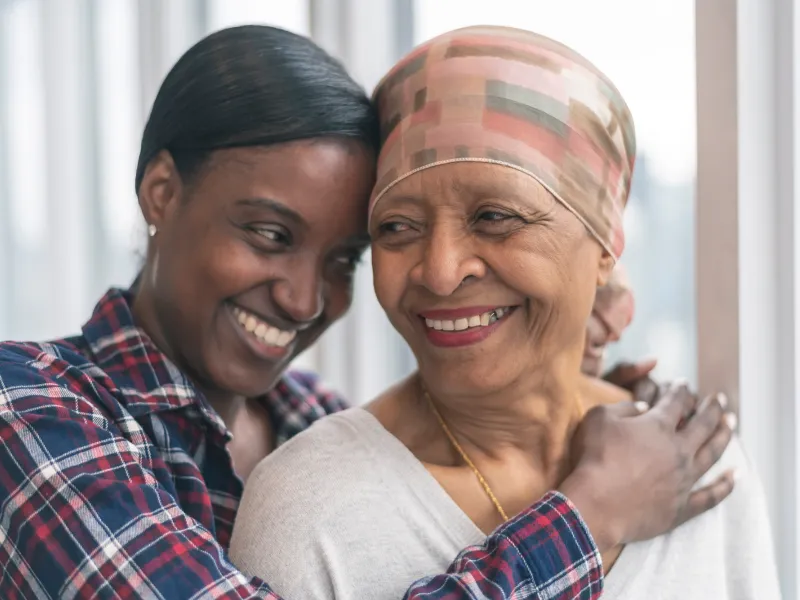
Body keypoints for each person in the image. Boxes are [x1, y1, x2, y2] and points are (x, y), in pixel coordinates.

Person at [0, 25, 734, 600]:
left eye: (345, 258)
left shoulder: (308, 415)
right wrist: (592, 512)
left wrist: (563, 382)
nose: (304, 299)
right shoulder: (29, 410)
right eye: (270, 235)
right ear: (161, 192)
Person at [228, 26, 777, 600]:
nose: (440, 272)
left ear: (604, 247)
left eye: (494, 217)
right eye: (397, 226)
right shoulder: (310, 512)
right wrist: (591, 515)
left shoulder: (695, 462)